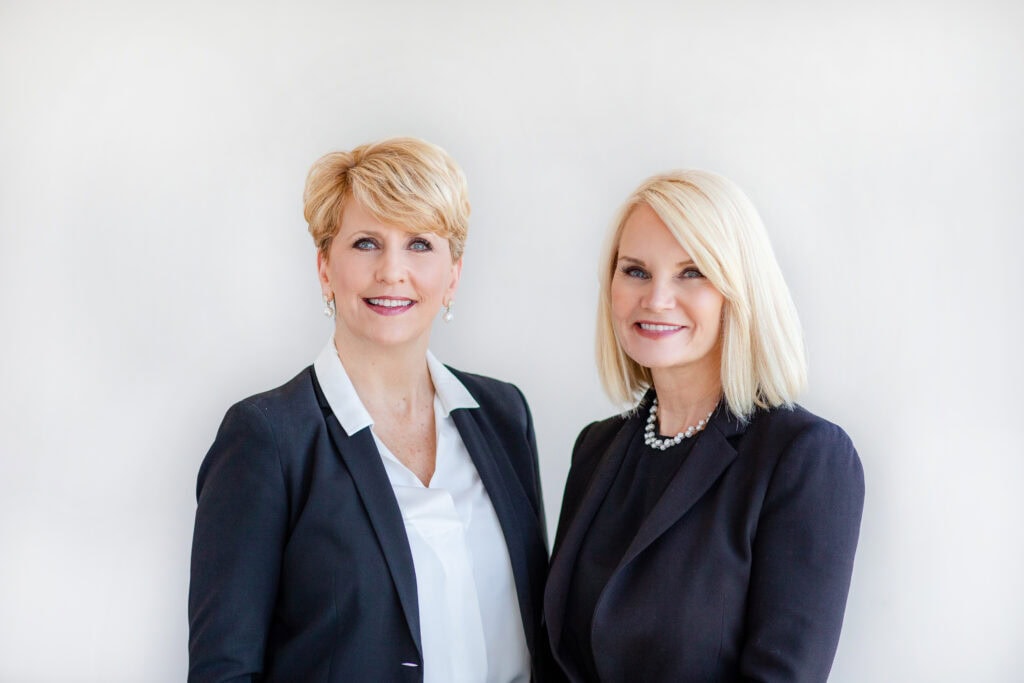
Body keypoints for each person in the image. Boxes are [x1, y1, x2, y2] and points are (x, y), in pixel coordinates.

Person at [189, 137, 552, 682]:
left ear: (453, 275)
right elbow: (225, 669)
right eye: (365, 243)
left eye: (420, 244)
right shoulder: (267, 438)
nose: (391, 270)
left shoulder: (503, 415)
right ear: (324, 268)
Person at [544, 170, 865, 682]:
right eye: (635, 271)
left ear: (739, 291)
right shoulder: (595, 449)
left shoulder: (805, 457)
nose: (656, 298)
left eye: (691, 272)